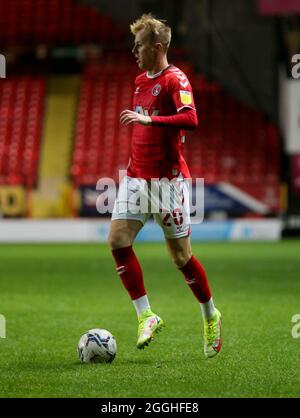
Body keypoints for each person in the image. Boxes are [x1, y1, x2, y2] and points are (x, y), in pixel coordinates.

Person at [108, 13, 222, 358]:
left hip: (167, 182)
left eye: (139, 45)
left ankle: (210, 315)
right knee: (117, 240)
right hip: (136, 177)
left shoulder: (176, 80)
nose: (134, 50)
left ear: (157, 47)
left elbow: (191, 119)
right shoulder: (140, 80)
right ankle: (146, 314)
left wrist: (149, 118)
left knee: (181, 257)